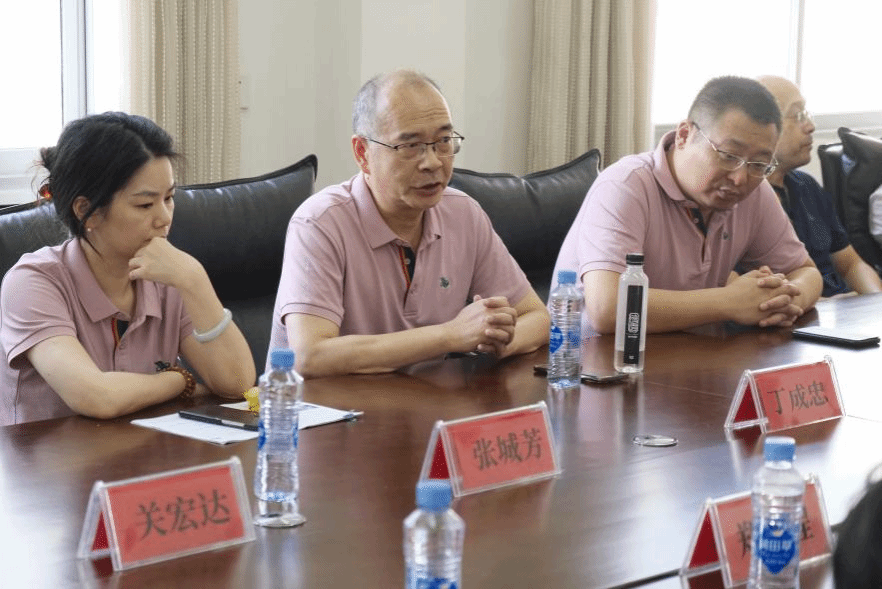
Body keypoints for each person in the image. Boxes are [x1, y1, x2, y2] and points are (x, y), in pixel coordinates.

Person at [268, 69, 549, 378]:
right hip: (326, 407)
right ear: (362, 153)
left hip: (426, 401)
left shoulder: (463, 214)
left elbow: (538, 318)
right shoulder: (320, 223)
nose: (433, 162)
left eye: (443, 141)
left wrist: (496, 340)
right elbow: (309, 356)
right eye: (410, 146)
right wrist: (450, 336)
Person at [0, 113, 256, 424]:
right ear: (87, 211)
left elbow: (237, 384)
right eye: (145, 205)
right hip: (50, 454)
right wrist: (179, 381)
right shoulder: (32, 282)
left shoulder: (171, 276)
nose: (164, 218)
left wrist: (194, 279)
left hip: (143, 448)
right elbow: (96, 397)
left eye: (169, 198)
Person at [553, 76, 823, 334]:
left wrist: (783, 302)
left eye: (759, 164)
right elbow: (607, 308)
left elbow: (806, 272)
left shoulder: (755, 191)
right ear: (684, 135)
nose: (740, 178)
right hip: (594, 360)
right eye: (729, 156)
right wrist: (729, 301)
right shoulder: (625, 186)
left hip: (694, 356)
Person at [757, 75, 882, 297]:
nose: (811, 126)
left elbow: (850, 264)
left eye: (807, 115)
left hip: (838, 307)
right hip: (799, 307)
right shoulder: (744, 200)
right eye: (798, 116)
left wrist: (876, 303)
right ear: (761, 127)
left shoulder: (807, 186)